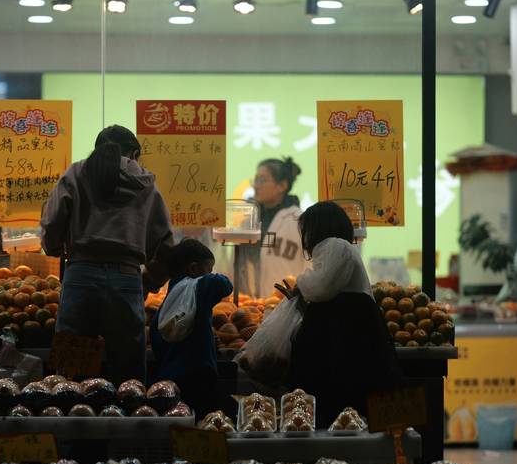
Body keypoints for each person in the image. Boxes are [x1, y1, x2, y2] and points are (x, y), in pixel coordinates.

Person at [42, 125, 173, 383]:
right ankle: (125, 420)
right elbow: (167, 244)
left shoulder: (77, 173)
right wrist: (151, 280)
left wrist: (55, 248)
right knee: (128, 374)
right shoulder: (146, 184)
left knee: (71, 371)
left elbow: (53, 220)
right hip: (126, 279)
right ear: (134, 152)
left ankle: (72, 419)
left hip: (80, 275)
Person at [282, 201, 401, 427]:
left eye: (306, 229)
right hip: (353, 334)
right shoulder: (342, 248)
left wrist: (301, 282)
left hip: (344, 339)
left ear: (317, 228)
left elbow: (321, 287)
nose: (304, 237)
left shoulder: (335, 245)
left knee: (336, 401)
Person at [149, 239, 234, 418]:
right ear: (194, 269)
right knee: (202, 429)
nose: (210, 274)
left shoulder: (164, 309)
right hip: (200, 380)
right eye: (208, 269)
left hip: (169, 383)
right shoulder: (197, 289)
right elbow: (223, 284)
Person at [237, 157, 309, 297]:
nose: (256, 186)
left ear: (282, 185)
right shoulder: (250, 221)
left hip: (288, 305)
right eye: (255, 180)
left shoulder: (299, 220)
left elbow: (310, 268)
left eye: (262, 180)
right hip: (253, 306)